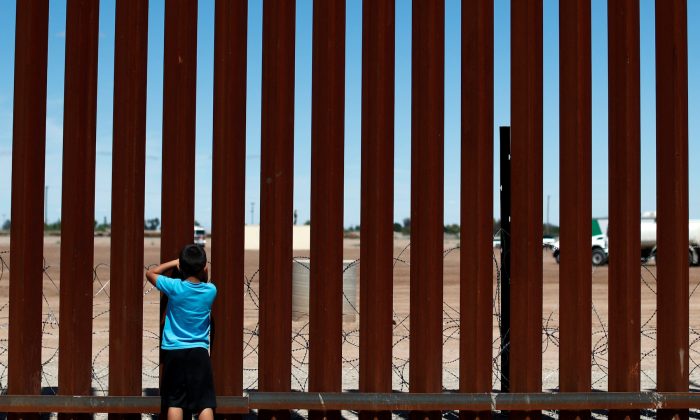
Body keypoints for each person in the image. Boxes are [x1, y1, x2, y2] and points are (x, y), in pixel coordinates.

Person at [146, 244, 217, 420]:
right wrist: (203, 269)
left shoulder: (174, 287)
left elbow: (151, 273)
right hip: (199, 352)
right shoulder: (210, 291)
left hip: (174, 351)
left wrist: (174, 263)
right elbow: (205, 280)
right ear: (204, 267)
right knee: (204, 402)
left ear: (181, 267)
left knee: (174, 402)